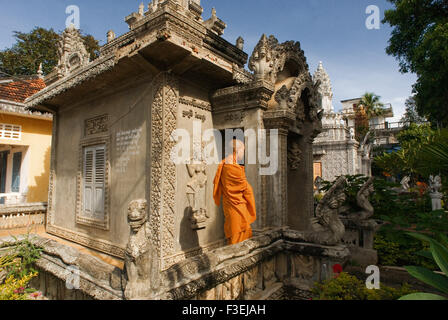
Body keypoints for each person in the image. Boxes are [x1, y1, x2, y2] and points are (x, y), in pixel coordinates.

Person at [213, 139, 257, 245]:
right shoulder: (230, 165)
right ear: (237, 150)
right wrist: (248, 189)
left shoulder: (230, 163)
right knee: (236, 235)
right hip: (235, 206)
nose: (243, 153)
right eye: (243, 150)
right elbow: (243, 186)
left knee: (241, 233)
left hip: (236, 204)